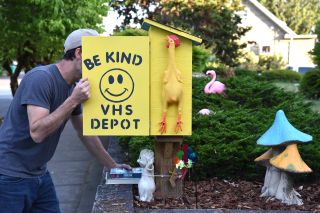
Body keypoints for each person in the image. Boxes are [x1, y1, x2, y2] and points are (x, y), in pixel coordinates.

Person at [0, 29, 131, 213]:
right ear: (79, 53)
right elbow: (37, 132)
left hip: (39, 173)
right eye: (98, 54)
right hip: (9, 176)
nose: (102, 62)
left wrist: (112, 165)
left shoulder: (72, 87)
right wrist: (73, 100)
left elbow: (85, 132)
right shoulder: (41, 78)